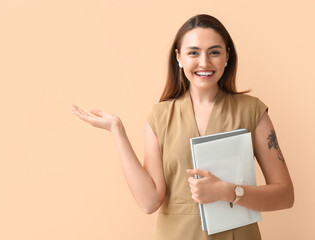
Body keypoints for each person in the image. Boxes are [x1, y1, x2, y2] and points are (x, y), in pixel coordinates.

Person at [70, 14, 294, 240]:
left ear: (227, 56)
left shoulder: (252, 111)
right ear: (179, 57)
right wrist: (117, 131)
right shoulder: (160, 117)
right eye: (193, 52)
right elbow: (149, 202)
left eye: (214, 52)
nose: (204, 62)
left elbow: (285, 195)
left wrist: (228, 192)